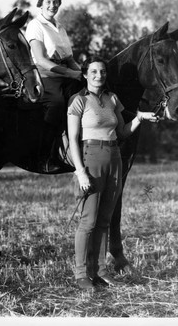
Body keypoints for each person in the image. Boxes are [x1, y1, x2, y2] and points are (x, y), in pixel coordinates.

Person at [67, 58, 159, 293]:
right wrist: (80, 172)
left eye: (103, 71)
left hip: (114, 157)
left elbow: (122, 132)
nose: (99, 75)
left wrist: (139, 118)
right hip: (91, 157)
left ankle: (100, 271)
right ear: (86, 75)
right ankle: (81, 274)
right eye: (94, 71)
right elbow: (74, 141)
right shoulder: (78, 101)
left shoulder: (112, 99)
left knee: (105, 220)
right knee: (88, 220)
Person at [25, 0, 84, 173]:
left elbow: (69, 59)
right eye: (48, 2)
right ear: (40, 4)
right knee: (57, 103)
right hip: (45, 76)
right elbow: (41, 60)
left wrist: (84, 74)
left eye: (55, 2)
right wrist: (69, 73)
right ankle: (45, 156)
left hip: (65, 74)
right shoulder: (35, 25)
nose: (52, 5)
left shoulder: (60, 27)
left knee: (86, 96)